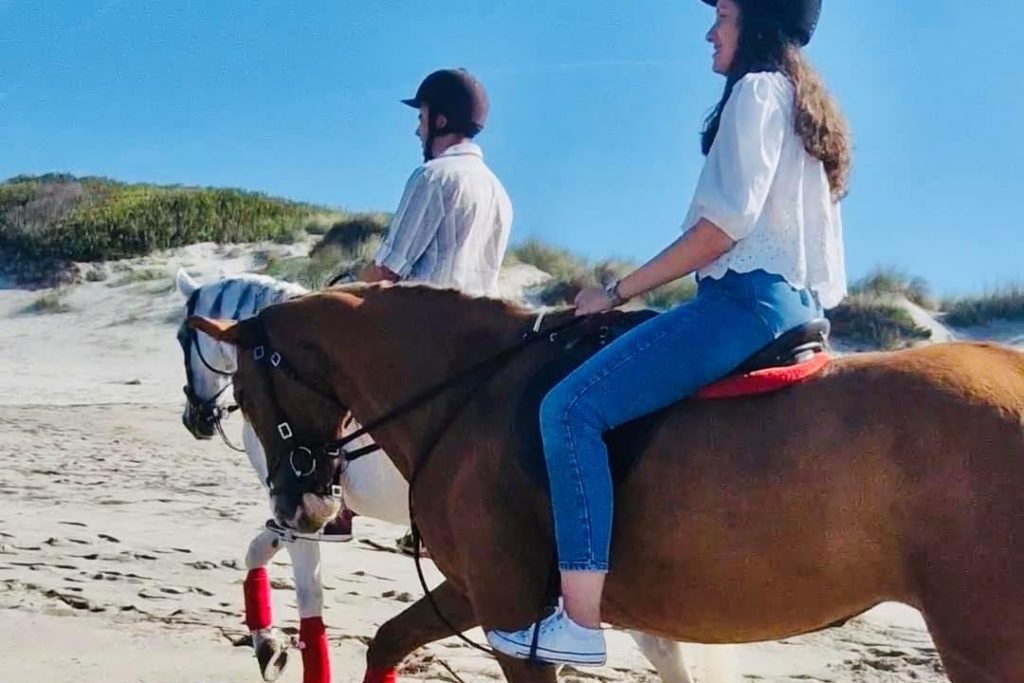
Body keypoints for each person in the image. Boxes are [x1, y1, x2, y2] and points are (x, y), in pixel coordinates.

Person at [486, 0, 850, 666]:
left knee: (569, 409)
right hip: (794, 304)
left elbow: (720, 231)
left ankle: (580, 619)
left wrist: (616, 292)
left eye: (724, 15)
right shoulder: (800, 102)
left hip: (744, 303)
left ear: (757, 22)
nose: (711, 30)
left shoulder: (755, 93)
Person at [329, 68, 515, 551]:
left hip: (421, 337)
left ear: (441, 119)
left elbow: (389, 269)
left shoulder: (433, 177)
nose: (417, 128)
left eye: (422, 116)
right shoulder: (500, 193)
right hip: (477, 343)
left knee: (324, 373)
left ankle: (328, 494)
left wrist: (334, 294)